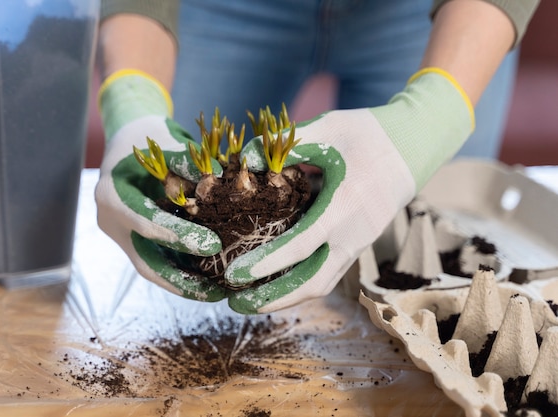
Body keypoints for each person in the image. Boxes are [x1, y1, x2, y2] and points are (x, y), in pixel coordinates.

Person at [95, 0, 539, 314]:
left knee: (427, 250)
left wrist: (436, 110)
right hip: (220, 8)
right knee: (175, 223)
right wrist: (132, 101)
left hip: (423, 13)